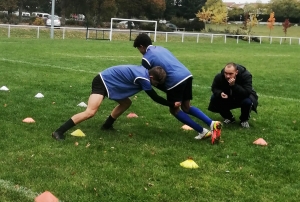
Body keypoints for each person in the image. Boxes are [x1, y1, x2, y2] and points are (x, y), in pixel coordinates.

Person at [133, 33, 222, 144]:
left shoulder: (146, 58)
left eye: (138, 48)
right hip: (187, 75)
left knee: (174, 110)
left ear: (141, 46)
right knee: (187, 107)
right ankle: (211, 123)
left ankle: (202, 131)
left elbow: (146, 77)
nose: (139, 51)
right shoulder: (161, 48)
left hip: (174, 81)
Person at [52, 65, 180, 140]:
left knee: (126, 103)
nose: (156, 85)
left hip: (111, 84)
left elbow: (155, 89)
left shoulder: (145, 73)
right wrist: (171, 104)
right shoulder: (143, 78)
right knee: (90, 112)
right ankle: (59, 131)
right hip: (102, 81)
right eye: (156, 83)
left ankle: (107, 126)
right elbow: (154, 97)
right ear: (151, 77)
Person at [208, 62, 258, 128]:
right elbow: (214, 88)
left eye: (230, 74)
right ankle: (229, 118)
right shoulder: (219, 76)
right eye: (226, 73)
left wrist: (234, 85)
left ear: (236, 72)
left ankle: (244, 120)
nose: (228, 76)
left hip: (242, 97)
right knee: (214, 98)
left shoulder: (246, 76)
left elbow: (247, 93)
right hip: (228, 97)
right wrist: (220, 93)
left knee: (248, 101)